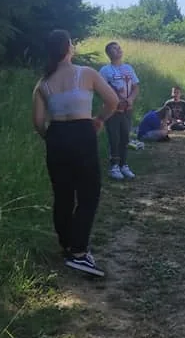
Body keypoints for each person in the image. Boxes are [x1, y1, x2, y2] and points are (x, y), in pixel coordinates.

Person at [32, 30, 119, 277]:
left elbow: (38, 121)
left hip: (56, 134)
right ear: (69, 48)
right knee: (89, 192)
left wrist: (49, 137)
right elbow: (112, 101)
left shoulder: (43, 84)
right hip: (82, 133)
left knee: (62, 194)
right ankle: (79, 253)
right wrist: (99, 120)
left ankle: (67, 246)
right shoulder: (87, 73)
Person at [100, 41, 140, 181]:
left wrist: (131, 100)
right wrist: (114, 101)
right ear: (109, 53)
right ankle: (114, 166)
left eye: (119, 48)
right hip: (112, 110)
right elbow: (102, 89)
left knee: (125, 137)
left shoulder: (128, 68)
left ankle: (124, 164)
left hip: (127, 109)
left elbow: (135, 87)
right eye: (114, 49)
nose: (118, 50)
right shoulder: (105, 70)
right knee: (114, 138)